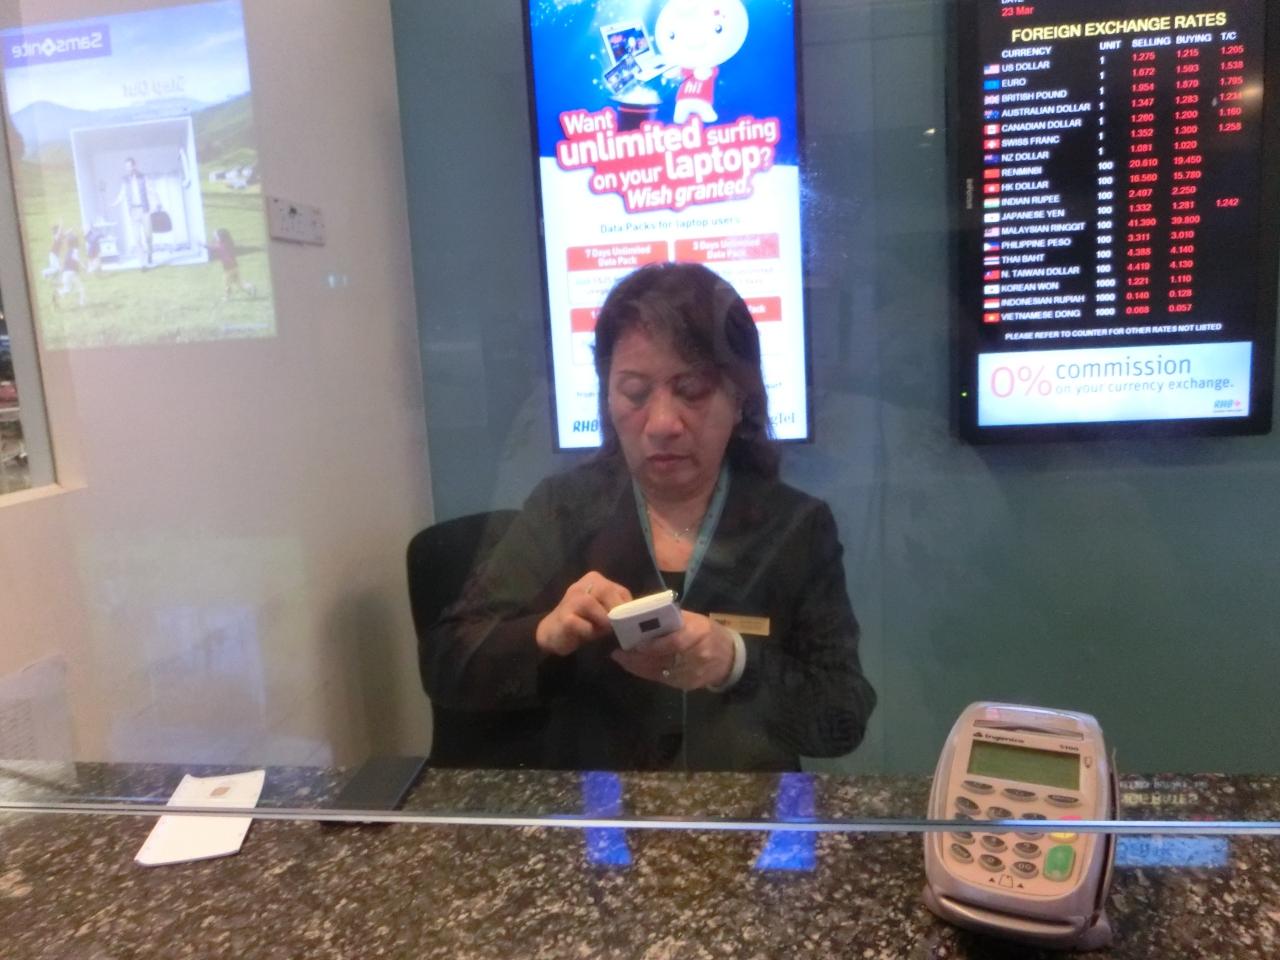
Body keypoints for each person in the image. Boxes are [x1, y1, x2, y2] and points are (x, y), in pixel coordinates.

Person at [423, 262, 876, 771]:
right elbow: (446, 664)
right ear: (607, 397)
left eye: (693, 390)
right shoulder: (564, 510)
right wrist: (543, 635)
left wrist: (736, 661)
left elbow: (843, 718)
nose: (661, 423)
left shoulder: (794, 526)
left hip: (746, 803)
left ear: (741, 399)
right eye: (635, 393)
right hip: (600, 802)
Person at [114, 157, 153, 267]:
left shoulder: (143, 177)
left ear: (134, 166)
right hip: (133, 211)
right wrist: (115, 203)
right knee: (137, 238)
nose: (128, 169)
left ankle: (150, 253)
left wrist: (157, 202)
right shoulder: (125, 180)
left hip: (144, 210)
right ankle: (142, 263)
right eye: (126, 167)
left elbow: (151, 190)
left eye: (129, 166)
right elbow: (122, 193)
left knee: (148, 236)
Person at [207, 228, 256, 300]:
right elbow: (215, 244)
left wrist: (202, 245)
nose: (215, 238)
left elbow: (212, 247)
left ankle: (227, 297)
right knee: (239, 284)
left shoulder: (221, 245)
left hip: (228, 269)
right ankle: (250, 287)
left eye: (217, 237)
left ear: (221, 238)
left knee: (227, 283)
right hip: (235, 267)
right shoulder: (227, 243)